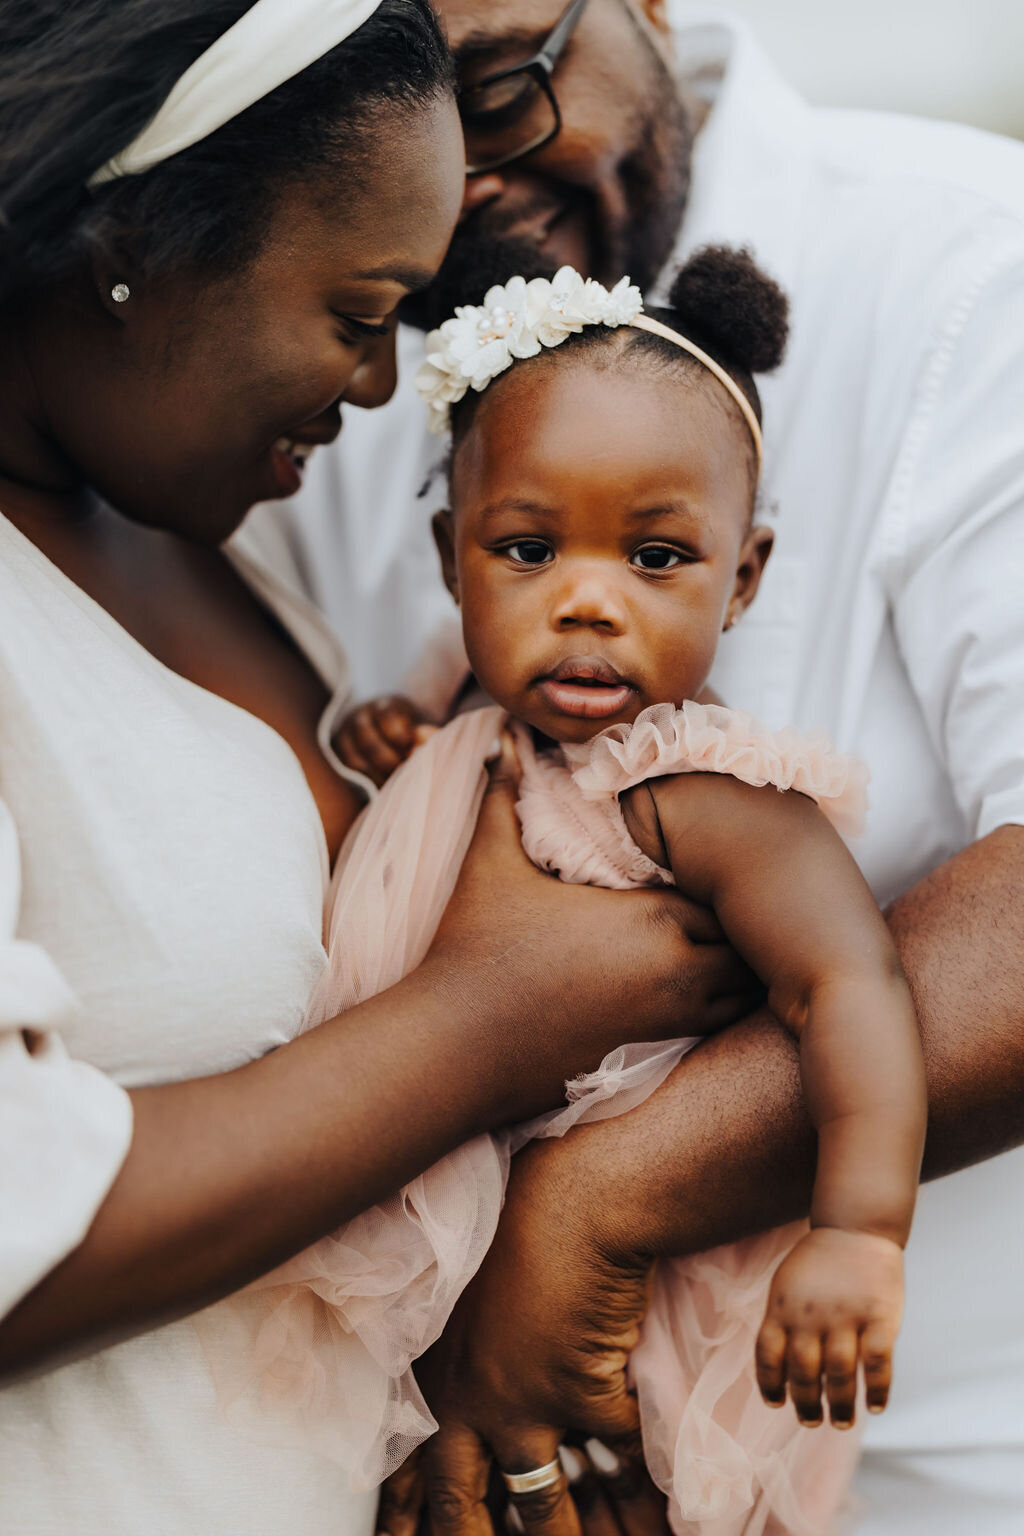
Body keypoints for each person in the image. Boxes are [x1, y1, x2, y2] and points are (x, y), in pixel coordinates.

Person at [251, 4, 1024, 1534]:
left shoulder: (971, 274)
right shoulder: (317, 371)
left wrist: (590, 1213)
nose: (452, 179)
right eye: (371, 112)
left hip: (937, 1473)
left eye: (493, 88)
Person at [0, 3, 718, 1531]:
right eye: (362, 308)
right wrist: (499, 1016)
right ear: (129, 244)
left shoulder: (209, 557)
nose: (387, 385)